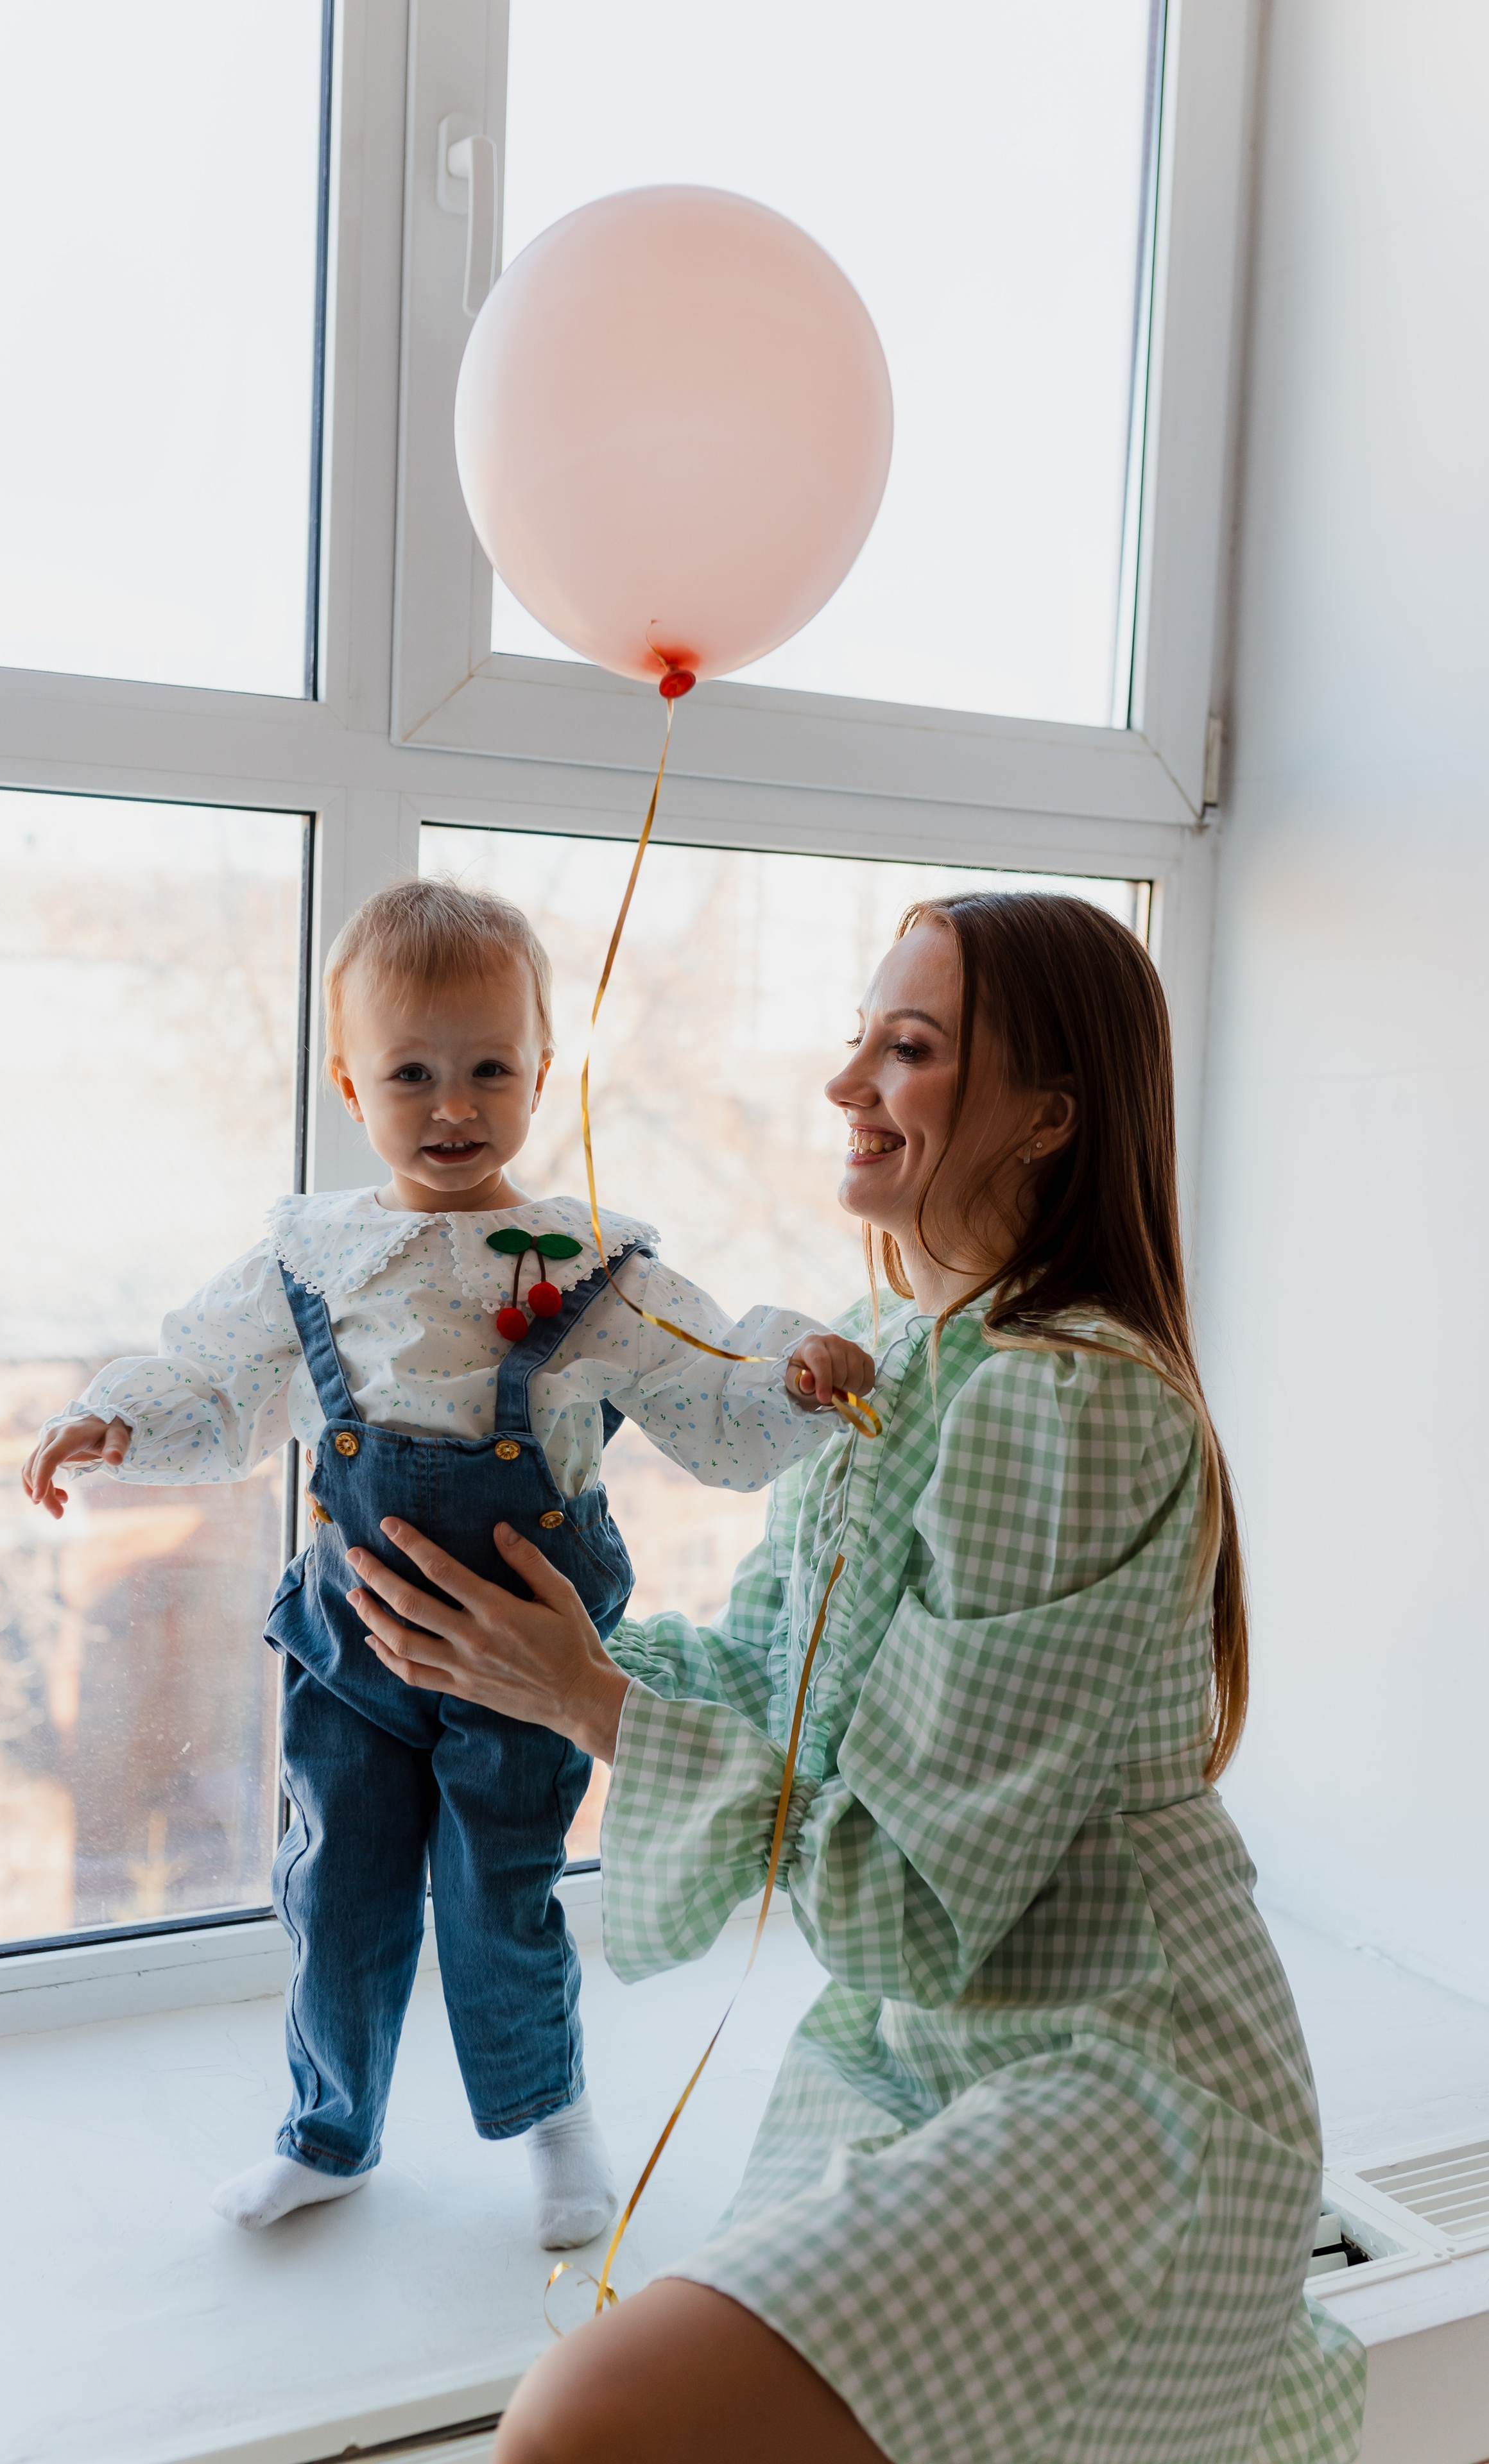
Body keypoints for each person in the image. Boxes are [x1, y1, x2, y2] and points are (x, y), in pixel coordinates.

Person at [341, 891, 1366, 2464]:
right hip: (917, 2058)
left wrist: (588, 1702)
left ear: (1045, 1120)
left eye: (909, 1050)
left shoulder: (1068, 1408)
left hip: (1126, 2088)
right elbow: (774, 1680)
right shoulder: (904, 1350)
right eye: (857, 1042)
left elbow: (905, 1895)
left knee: (585, 2420)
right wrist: (519, 1637)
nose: (844, 1087)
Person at [20, 878, 872, 2250]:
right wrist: (116, 1418)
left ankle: (552, 2122)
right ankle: (327, 2130)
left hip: (525, 1663)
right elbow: (212, 1383)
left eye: (488, 1068)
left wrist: (797, 1379)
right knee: (335, 1893)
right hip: (352, 1645)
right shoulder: (313, 1258)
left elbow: (712, 1401)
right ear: (350, 1082)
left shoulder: (595, 1266)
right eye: (410, 1072)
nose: (452, 1104)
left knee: (500, 1899)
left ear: (543, 1073)